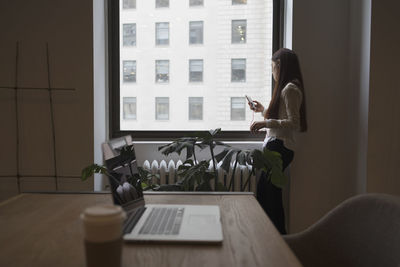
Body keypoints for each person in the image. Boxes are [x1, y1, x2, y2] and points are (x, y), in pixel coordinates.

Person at [249, 48, 307, 234]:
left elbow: (293, 122)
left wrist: (265, 122)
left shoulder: (290, 89)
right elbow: (283, 117)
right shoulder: (286, 88)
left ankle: (279, 239)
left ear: (280, 67)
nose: (273, 72)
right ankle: (273, 237)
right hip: (276, 145)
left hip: (280, 147)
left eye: (273, 67)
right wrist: (263, 110)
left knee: (270, 199)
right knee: (267, 196)